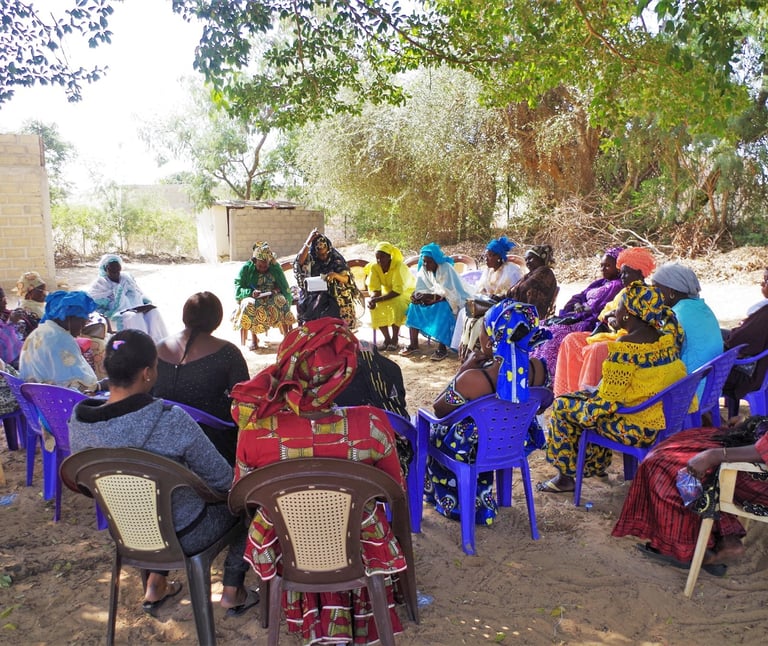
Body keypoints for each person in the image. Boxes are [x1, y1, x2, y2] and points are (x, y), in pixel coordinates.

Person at [231, 317, 408, 645]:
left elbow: (243, 496)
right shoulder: (370, 424)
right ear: (344, 373)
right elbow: (393, 489)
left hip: (287, 547)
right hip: (358, 546)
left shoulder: (254, 430)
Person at [69, 330, 256, 617]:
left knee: (149, 505)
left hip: (125, 532)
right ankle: (232, 589)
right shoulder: (170, 420)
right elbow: (223, 482)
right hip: (187, 533)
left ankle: (155, 582)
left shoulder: (80, 422)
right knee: (248, 505)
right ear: (147, 373)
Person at [537, 282, 688, 494]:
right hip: (660, 418)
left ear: (627, 314)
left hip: (637, 428)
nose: (613, 311)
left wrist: (583, 410)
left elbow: (605, 403)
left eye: (617, 307)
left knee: (564, 407)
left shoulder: (625, 349)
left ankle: (566, 478)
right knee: (580, 401)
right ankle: (594, 467)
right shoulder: (667, 339)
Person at [426, 300, 548, 525]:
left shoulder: (473, 379)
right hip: (514, 443)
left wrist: (464, 369)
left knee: (429, 430)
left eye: (482, 331)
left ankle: (450, 499)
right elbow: (543, 403)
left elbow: (439, 409)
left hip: (473, 449)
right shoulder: (538, 369)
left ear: (491, 341)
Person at [612, 415, 768, 571]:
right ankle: (725, 538)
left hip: (759, 474)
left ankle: (683, 549)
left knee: (663, 464)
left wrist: (713, 455)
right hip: (759, 447)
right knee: (693, 441)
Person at [154, 292, 250, 464]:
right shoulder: (227, 352)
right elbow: (245, 399)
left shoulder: (158, 348)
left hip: (159, 436)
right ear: (217, 318)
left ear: (185, 315)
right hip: (212, 443)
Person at [553, 246, 657, 396]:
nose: (622, 277)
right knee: (571, 339)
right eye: (622, 272)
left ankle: (587, 396)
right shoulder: (623, 291)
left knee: (597, 349)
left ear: (639, 272)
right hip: (609, 333)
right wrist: (611, 318)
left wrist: (615, 320)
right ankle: (567, 394)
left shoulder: (649, 294)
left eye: (626, 273)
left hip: (629, 341)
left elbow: (641, 326)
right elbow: (604, 315)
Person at [532, 247, 624, 383]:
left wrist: (584, 309)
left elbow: (600, 308)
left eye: (608, 266)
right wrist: (576, 305)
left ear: (618, 268)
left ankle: (550, 376)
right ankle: (534, 370)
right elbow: (579, 296)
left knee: (555, 333)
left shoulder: (616, 286)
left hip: (590, 321)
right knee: (541, 326)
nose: (603, 269)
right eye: (602, 266)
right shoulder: (600, 283)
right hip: (577, 315)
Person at [651, 263, 722, 398]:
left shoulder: (675, 316)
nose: (652, 294)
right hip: (710, 388)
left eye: (656, 288)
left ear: (671, 292)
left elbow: (661, 357)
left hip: (689, 393)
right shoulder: (703, 307)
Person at [452, 235, 523, 359]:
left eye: (489, 255)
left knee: (479, 321)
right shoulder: (488, 270)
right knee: (465, 311)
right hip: (488, 304)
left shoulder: (512, 271)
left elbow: (516, 295)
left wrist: (497, 298)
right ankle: (462, 348)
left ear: (499, 257)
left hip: (504, 308)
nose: (486, 258)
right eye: (486, 255)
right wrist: (484, 296)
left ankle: (479, 351)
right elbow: (480, 288)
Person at [400, 242, 473, 361]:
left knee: (442, 308)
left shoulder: (446, 269)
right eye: (424, 261)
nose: (425, 264)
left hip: (452, 300)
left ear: (436, 260)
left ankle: (442, 347)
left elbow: (452, 294)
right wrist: (417, 296)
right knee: (414, 306)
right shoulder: (424, 269)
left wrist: (431, 298)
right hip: (433, 299)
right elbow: (420, 288)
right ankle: (413, 344)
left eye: (429, 261)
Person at [19, 290, 100, 393]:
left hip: (34, 397)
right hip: (55, 401)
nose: (83, 327)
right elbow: (80, 382)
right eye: (82, 322)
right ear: (70, 318)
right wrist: (99, 386)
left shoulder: (39, 332)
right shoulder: (61, 339)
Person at [88, 254, 168, 342]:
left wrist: (145, 302)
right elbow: (94, 300)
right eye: (112, 270)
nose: (116, 273)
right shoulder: (100, 283)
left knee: (153, 312)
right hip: (116, 312)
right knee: (133, 316)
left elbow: (138, 292)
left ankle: (158, 343)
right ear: (105, 269)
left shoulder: (126, 278)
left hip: (137, 306)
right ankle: (141, 345)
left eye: (118, 270)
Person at [233, 241, 295, 351]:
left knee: (281, 300)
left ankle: (286, 338)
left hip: (271, 296)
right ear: (254, 261)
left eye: (265, 266)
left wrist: (276, 290)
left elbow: (282, 284)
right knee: (249, 305)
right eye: (260, 266)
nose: (262, 268)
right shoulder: (246, 269)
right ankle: (254, 338)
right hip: (253, 297)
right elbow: (238, 287)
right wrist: (250, 293)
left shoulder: (274, 267)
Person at [294, 228, 360, 328]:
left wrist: (335, 275)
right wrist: (309, 240)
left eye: (325, 253)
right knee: (309, 303)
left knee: (340, 301)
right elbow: (299, 262)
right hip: (315, 291)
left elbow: (346, 279)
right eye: (320, 254)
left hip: (335, 290)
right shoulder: (311, 257)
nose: (323, 256)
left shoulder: (336, 258)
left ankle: (341, 329)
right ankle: (314, 330)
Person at [722, 267, 768, 407]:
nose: (762, 284)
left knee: (705, 369)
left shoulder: (765, 314)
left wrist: (739, 329)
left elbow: (737, 341)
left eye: (766, 280)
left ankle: (708, 416)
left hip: (750, 377)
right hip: (761, 369)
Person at [367, 241, 416, 351]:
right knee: (376, 307)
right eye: (377, 258)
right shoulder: (375, 267)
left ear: (389, 256)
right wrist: (373, 299)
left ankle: (394, 339)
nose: (379, 261)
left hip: (405, 292)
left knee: (397, 304)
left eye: (382, 257)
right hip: (389, 292)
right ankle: (387, 339)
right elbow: (375, 288)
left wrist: (379, 298)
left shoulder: (399, 266)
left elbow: (398, 291)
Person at [505, 244, 558, 319]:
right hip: (523, 312)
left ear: (540, 259)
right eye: (526, 260)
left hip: (531, 316)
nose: (527, 262)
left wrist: (507, 296)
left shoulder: (544, 272)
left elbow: (523, 287)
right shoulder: (531, 274)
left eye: (530, 258)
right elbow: (514, 290)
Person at [10, 270, 47, 340]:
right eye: (41, 291)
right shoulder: (33, 311)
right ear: (29, 294)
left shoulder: (35, 305)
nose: (45, 293)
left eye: (45, 290)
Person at [0, 287, 23, 368]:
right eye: (3, 300)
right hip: (7, 364)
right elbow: (3, 346)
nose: (6, 302)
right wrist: (11, 323)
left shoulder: (2, 317)